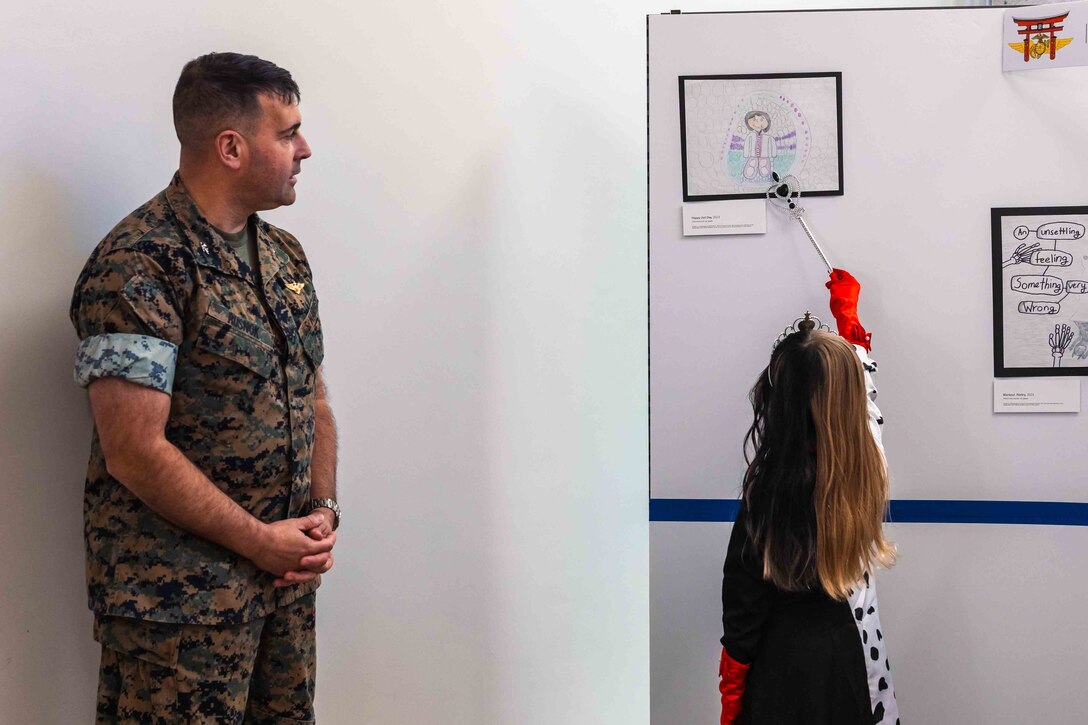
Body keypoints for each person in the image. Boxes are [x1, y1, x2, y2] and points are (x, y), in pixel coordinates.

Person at [69, 52, 340, 723]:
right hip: (179, 611)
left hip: (283, 591)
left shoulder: (284, 257)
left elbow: (313, 398)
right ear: (231, 148)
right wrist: (260, 541)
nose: (305, 149)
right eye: (287, 133)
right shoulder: (139, 263)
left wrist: (322, 512)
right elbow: (134, 450)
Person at [717, 269, 900, 725]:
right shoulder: (868, 463)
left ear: (782, 403)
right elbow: (861, 395)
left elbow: (744, 607)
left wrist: (732, 700)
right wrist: (849, 321)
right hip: (851, 661)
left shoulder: (771, 494)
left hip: (785, 674)